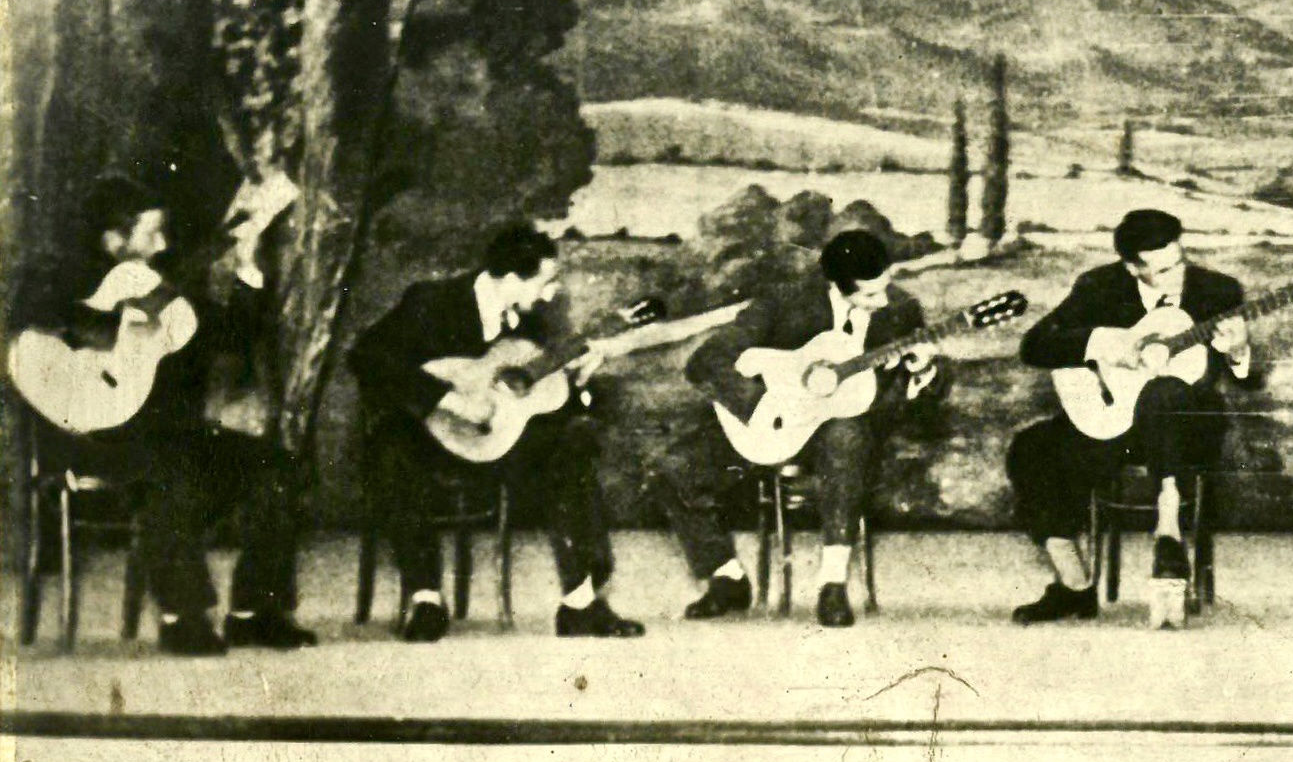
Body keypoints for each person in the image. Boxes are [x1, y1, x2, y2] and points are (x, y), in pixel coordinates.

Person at [8, 175, 314, 656]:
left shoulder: (160, 287)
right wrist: (115, 316)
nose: (163, 244)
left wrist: (247, 266)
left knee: (277, 468)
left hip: (162, 436)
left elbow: (232, 337)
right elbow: (39, 333)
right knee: (171, 469)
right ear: (113, 241)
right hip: (89, 441)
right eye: (151, 233)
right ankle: (181, 617)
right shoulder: (57, 279)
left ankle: (255, 613)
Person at [349, 225, 643, 642]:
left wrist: (576, 382)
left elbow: (534, 394)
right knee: (392, 446)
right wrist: (448, 400)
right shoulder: (432, 301)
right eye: (544, 281)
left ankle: (580, 602)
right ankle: (426, 598)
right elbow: (366, 357)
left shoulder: (531, 325)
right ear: (509, 279)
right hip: (431, 438)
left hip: (498, 440)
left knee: (571, 443)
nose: (550, 293)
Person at [669, 229, 946, 628]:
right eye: (870, 294)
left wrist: (924, 369)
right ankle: (725, 576)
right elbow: (706, 360)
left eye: (885, 287)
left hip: (848, 433)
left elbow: (927, 400)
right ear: (836, 284)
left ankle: (832, 583)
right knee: (674, 466)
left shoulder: (901, 309)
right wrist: (761, 406)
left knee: (846, 435)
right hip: (771, 420)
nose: (883, 300)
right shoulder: (784, 300)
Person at [1007, 209, 1260, 629]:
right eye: (1162, 271)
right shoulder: (1100, 286)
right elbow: (1035, 346)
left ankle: (1168, 534)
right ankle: (1073, 585)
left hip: (1186, 425)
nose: (1177, 277)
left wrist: (1238, 353)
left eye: (1179, 262)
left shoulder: (1218, 290)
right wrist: (1104, 342)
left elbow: (1250, 382)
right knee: (1031, 448)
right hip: (1115, 422)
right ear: (1132, 268)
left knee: (1165, 392)